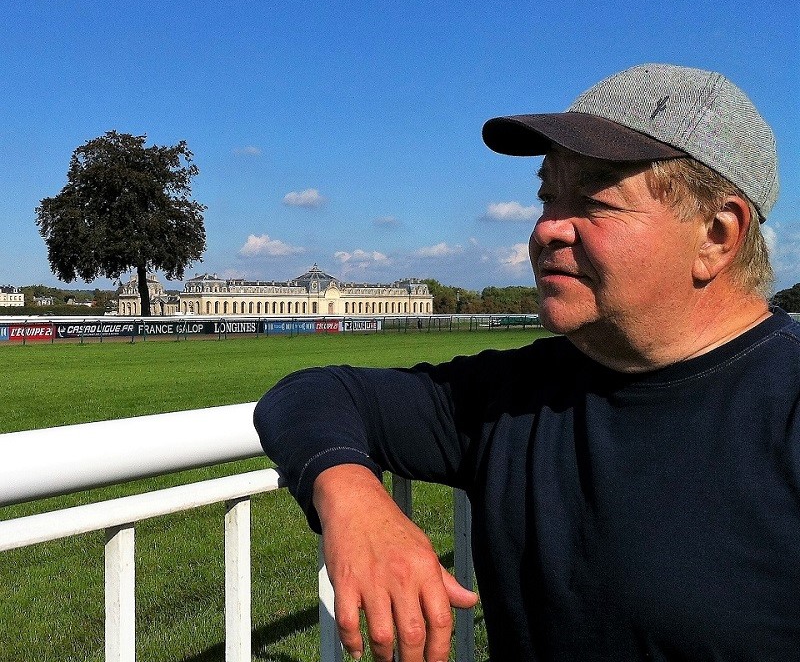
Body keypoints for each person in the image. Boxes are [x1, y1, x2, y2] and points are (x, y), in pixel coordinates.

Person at [254, 64, 800, 662]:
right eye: (546, 197)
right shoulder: (518, 393)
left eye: (593, 201)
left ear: (717, 235)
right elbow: (308, 395)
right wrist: (350, 495)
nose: (545, 230)